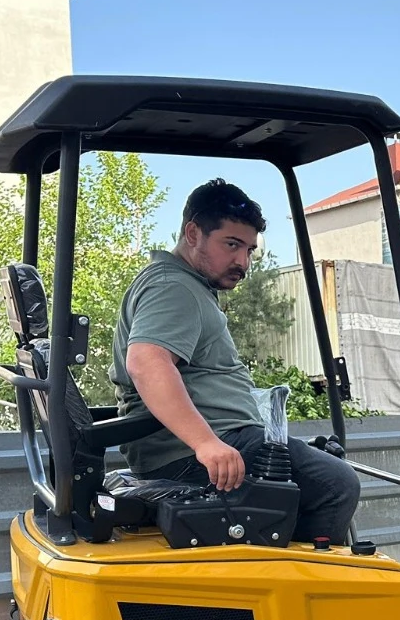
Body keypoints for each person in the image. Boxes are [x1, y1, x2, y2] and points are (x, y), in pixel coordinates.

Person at [109, 179, 360, 543]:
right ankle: (291, 593)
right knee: (335, 484)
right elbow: (147, 362)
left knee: (319, 467)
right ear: (193, 233)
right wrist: (206, 443)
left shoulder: (185, 285)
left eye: (250, 250)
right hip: (192, 453)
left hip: (217, 439)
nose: (243, 262)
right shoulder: (173, 288)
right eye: (231, 245)